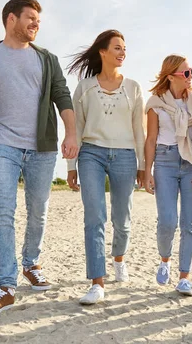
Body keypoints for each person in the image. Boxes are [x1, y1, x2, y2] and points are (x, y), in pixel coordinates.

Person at [0, 0, 78, 317]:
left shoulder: (47, 59)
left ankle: (31, 263)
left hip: (41, 147)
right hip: (1, 143)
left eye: (38, 20)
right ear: (11, 19)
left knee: (37, 211)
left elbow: (62, 95)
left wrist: (71, 134)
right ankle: (5, 284)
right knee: (2, 209)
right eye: (30, 18)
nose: (36, 24)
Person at [66, 30, 145, 305]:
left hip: (125, 155)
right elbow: (75, 128)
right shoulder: (84, 87)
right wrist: (71, 165)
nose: (123, 53)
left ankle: (119, 258)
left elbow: (139, 129)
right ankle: (97, 282)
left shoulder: (134, 87)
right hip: (91, 154)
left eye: (124, 48)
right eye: (117, 48)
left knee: (122, 219)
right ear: (102, 51)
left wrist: (143, 165)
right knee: (94, 217)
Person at [145, 54, 192, 296]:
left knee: (189, 224)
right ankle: (165, 260)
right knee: (168, 221)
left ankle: (184, 277)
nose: (191, 77)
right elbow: (150, 139)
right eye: (186, 73)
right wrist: (146, 170)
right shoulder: (156, 103)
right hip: (165, 161)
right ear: (170, 76)